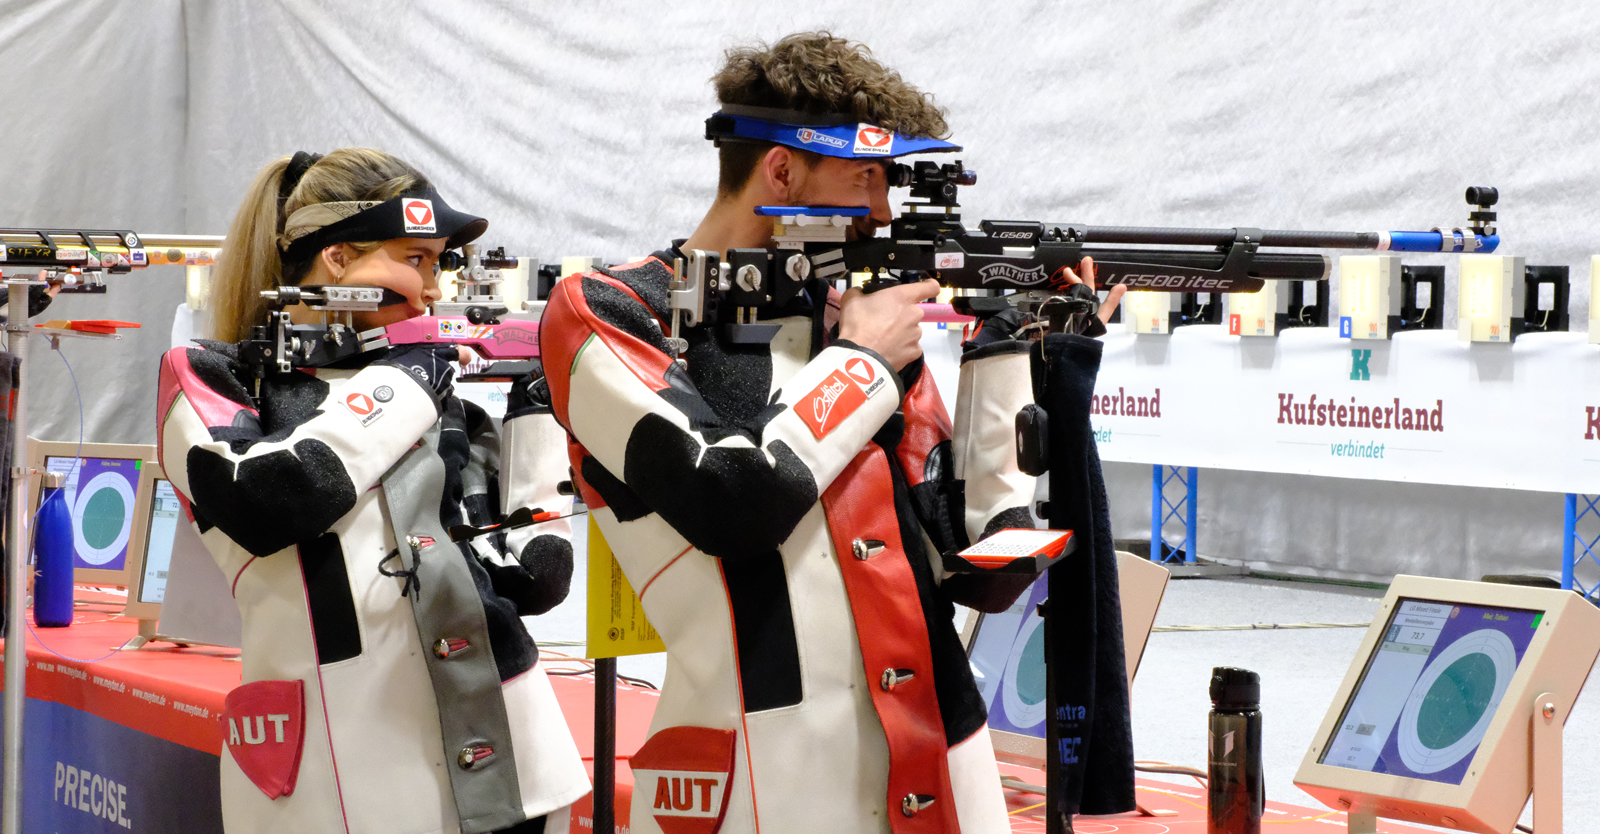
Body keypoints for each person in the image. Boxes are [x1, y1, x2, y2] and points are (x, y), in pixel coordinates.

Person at [539, 33, 1121, 834]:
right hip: (752, 772)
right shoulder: (611, 309)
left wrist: (1014, 352)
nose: (882, 212)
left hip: (945, 754)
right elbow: (730, 501)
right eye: (867, 178)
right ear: (781, 170)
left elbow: (980, 569)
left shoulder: (848, 324)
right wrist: (860, 362)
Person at [156, 149, 589, 834]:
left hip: (514, 758)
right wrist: (410, 380)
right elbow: (271, 499)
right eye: (415, 259)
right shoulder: (214, 377)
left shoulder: (438, 406)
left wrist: (536, 411)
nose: (435, 287)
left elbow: (532, 582)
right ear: (338, 259)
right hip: (333, 773)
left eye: (439, 263)